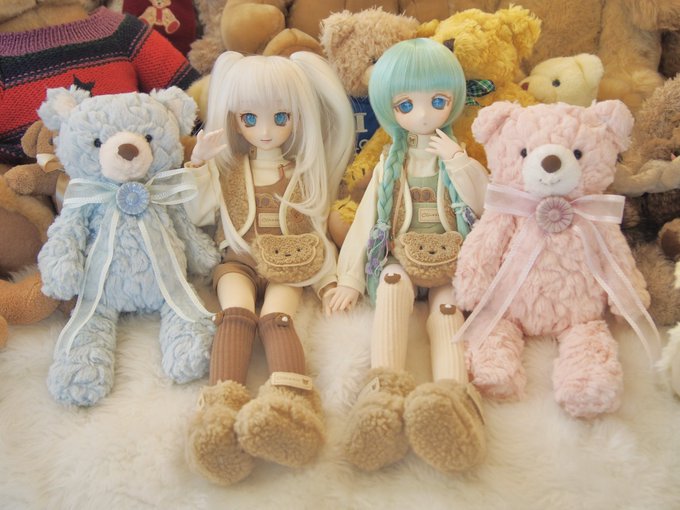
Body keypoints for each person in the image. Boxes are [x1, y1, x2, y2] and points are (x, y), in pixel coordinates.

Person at [183, 50, 354, 486]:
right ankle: (220, 408)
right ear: (236, 120)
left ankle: (290, 404)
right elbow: (199, 212)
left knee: (276, 318)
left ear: (297, 119)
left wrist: (330, 280)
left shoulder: (302, 172)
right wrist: (199, 163)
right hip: (238, 258)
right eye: (250, 119)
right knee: (235, 313)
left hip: (290, 262)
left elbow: (313, 232)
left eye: (280, 118)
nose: (265, 131)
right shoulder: (228, 170)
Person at [326, 38, 488, 474]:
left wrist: (458, 162)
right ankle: (382, 393)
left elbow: (485, 206)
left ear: (453, 101)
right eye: (406, 105)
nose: (423, 115)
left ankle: (453, 402)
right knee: (392, 285)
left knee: (449, 307)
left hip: (451, 260)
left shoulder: (457, 157)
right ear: (390, 108)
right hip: (400, 255)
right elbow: (366, 223)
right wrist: (350, 279)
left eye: (437, 101)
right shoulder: (389, 165)